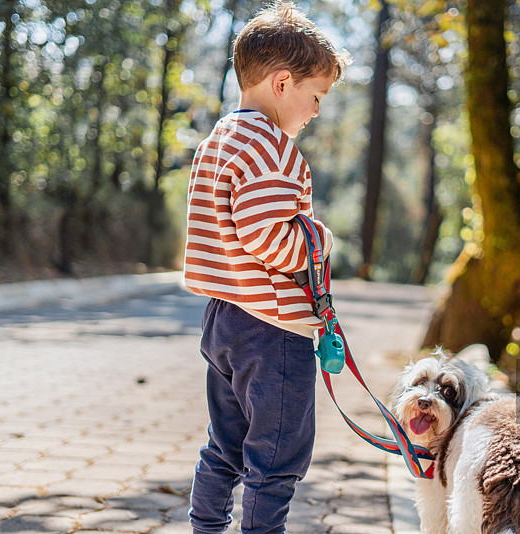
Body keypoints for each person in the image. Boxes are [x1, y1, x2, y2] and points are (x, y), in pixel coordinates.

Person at [182, 2, 350, 533]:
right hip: (272, 330)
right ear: (283, 83)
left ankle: (205, 528)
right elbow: (268, 238)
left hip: (224, 320)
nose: (317, 112)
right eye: (316, 97)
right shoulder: (272, 148)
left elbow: (226, 231)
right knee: (275, 461)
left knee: (225, 445)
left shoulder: (218, 141)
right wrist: (317, 239)